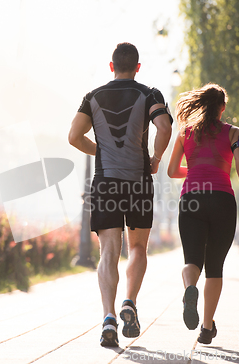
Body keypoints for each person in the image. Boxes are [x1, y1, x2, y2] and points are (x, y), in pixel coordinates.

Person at [68, 42, 172, 347]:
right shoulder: (150, 93)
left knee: (109, 252)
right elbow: (164, 127)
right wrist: (155, 158)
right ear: (137, 67)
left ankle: (109, 319)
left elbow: (74, 136)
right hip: (138, 181)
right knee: (137, 248)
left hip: (106, 182)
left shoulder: (93, 96)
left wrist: (101, 150)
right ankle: (130, 302)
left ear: (111, 66)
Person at [167, 83, 239, 345]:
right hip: (222, 200)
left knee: (192, 259)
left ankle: (189, 289)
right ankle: (206, 328)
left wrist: (192, 171)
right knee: (215, 266)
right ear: (222, 107)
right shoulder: (234, 132)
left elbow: (172, 171)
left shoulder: (185, 132)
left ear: (202, 105)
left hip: (191, 198)